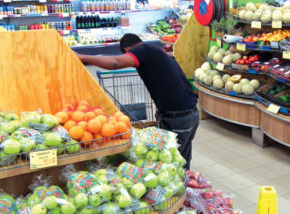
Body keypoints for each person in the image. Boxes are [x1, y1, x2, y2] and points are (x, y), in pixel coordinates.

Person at [75, 34, 199, 169]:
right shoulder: (156, 52)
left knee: (164, 165)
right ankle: (186, 187)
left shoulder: (143, 50)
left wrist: (82, 57)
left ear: (127, 50)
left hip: (177, 118)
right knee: (181, 163)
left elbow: (115, 63)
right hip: (191, 114)